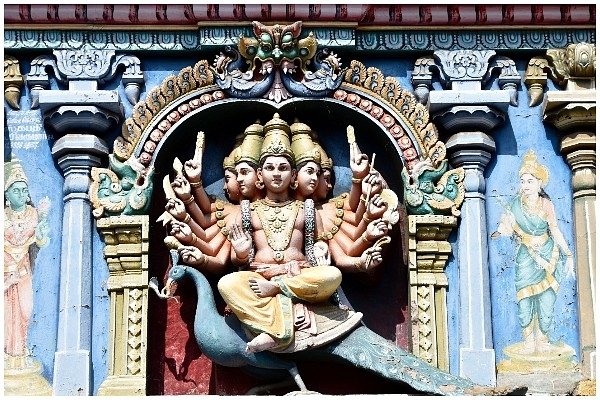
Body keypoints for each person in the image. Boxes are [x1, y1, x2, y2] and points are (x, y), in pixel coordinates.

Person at [217, 113, 343, 354]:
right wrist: (241, 254)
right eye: (270, 167)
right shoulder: (247, 210)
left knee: (332, 275)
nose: (276, 173)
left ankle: (275, 314)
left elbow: (310, 249)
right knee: (228, 283)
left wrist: (320, 255)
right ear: (260, 175)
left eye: (283, 168)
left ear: (294, 175)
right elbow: (241, 264)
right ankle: (280, 330)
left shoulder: (306, 209)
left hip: (296, 275)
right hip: (260, 277)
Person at [492, 150, 574, 354]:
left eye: (529, 181)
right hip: (525, 258)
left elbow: (554, 230)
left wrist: (569, 253)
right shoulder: (515, 205)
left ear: (539, 183)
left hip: (548, 255)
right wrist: (500, 231)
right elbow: (508, 225)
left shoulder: (546, 204)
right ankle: (529, 341)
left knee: (547, 299)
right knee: (524, 300)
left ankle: (543, 339)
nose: (525, 185)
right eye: (522, 181)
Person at [4, 158, 50, 369]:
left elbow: (41, 241)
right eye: (16, 191)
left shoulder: (33, 214)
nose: (21, 194)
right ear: (6, 194)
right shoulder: (3, 217)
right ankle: (7, 354)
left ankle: (21, 351)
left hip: (23, 271)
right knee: (6, 311)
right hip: (5, 271)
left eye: (24, 190)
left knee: (25, 310)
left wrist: (42, 221)